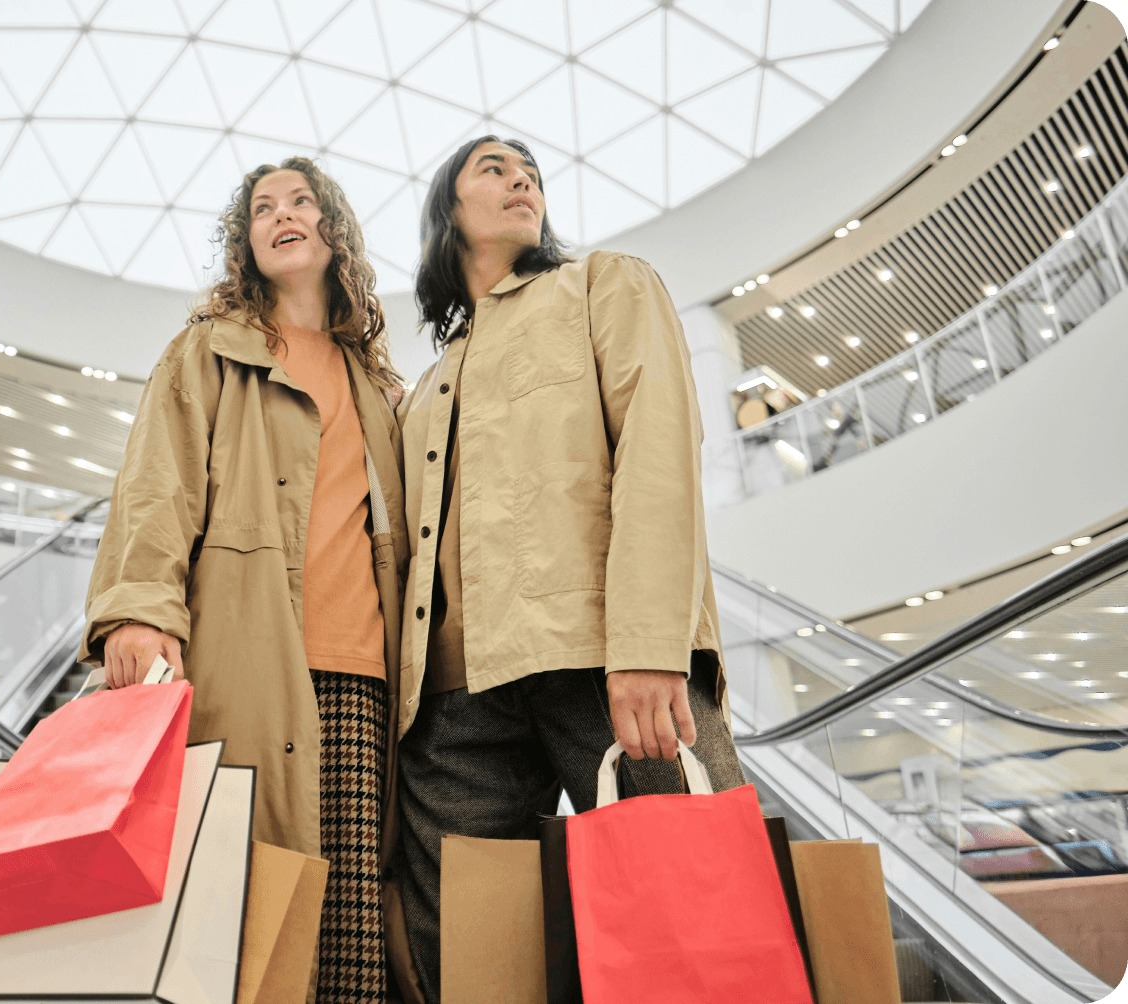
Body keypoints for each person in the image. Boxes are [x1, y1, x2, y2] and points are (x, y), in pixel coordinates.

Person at [392, 136, 748, 1002]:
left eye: (532, 173)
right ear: (447, 210)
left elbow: (659, 458)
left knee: (701, 931)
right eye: (492, 168)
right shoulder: (425, 383)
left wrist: (649, 643)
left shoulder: (604, 285)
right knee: (469, 959)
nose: (521, 179)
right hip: (453, 702)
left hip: (601, 658)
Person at [81, 157, 407, 1003]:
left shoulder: (376, 384)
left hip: (363, 685)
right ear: (246, 240)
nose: (281, 214)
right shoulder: (208, 351)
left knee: (345, 940)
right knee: (234, 923)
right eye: (263, 207)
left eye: (301, 201)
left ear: (333, 231)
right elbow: (158, 485)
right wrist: (136, 611)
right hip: (244, 668)